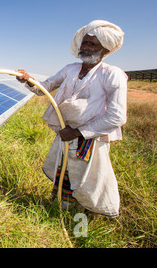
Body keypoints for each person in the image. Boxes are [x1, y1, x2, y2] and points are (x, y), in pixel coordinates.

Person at [16, 20, 128, 217]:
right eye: (85, 42)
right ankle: (60, 208)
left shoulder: (112, 74)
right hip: (66, 133)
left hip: (91, 139)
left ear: (104, 49)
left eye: (92, 44)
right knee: (64, 171)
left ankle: (82, 218)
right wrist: (28, 80)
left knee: (87, 180)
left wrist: (77, 132)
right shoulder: (71, 69)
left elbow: (116, 116)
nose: (85, 47)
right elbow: (45, 87)